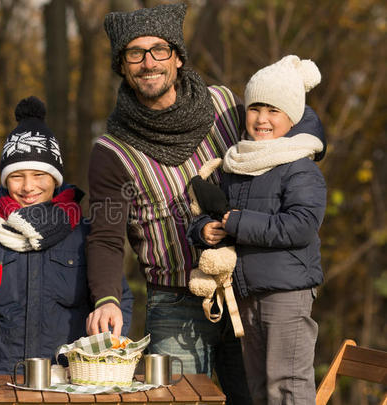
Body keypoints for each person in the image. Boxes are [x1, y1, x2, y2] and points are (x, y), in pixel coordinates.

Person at [85, 4, 325, 404]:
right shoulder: (111, 151)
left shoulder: (225, 107)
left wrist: (308, 151)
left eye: (159, 50)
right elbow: (107, 238)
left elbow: (283, 120)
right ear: (122, 66)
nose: (149, 63)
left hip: (246, 287)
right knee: (177, 400)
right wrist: (107, 297)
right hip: (173, 301)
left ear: (177, 58)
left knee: (259, 396)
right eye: (135, 53)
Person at [0, 96, 133, 375]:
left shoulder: (84, 235)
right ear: (4, 179)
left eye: (39, 174)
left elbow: (119, 300)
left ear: (55, 178)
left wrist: (101, 355)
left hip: (67, 379)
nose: (28, 187)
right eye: (16, 176)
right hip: (0, 379)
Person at [189, 55, 326, 404]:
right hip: (246, 290)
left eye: (273, 110)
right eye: (255, 108)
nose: (262, 119)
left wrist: (235, 222)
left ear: (292, 117)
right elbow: (215, 213)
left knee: (287, 384)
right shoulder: (239, 162)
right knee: (258, 385)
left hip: (286, 292)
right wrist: (205, 231)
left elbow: (300, 227)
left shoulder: (300, 167)